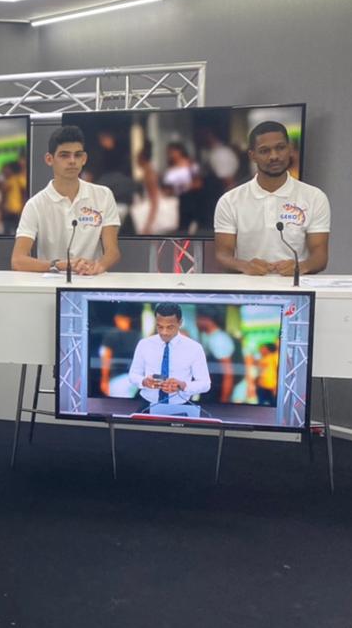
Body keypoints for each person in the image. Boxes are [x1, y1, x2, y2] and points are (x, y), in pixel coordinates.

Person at [213, 120, 330, 276]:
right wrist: (245, 266)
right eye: (264, 151)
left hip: (296, 286)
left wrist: (300, 267)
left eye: (280, 148)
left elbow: (320, 256)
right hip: (247, 286)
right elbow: (222, 255)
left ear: (290, 149)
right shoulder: (229, 201)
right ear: (252, 155)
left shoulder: (315, 197)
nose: (274, 156)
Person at [12, 125, 122, 275]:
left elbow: (112, 251)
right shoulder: (35, 204)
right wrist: (60, 265)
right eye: (64, 155)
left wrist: (99, 266)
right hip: (51, 282)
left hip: (93, 280)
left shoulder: (104, 195)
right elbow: (18, 260)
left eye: (77, 155)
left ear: (84, 159)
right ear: (49, 159)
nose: (72, 161)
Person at [127, 303, 212, 410]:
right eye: (160, 327)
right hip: (147, 404)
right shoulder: (144, 344)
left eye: (170, 327)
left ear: (180, 323)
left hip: (180, 406)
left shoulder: (194, 348)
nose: (164, 332)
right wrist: (144, 381)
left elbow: (205, 384)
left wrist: (183, 385)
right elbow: (133, 375)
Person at [98, 310, 139, 398]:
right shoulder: (137, 335)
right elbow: (105, 356)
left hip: (124, 380)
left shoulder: (113, 335)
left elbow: (105, 357)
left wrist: (104, 379)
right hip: (125, 379)